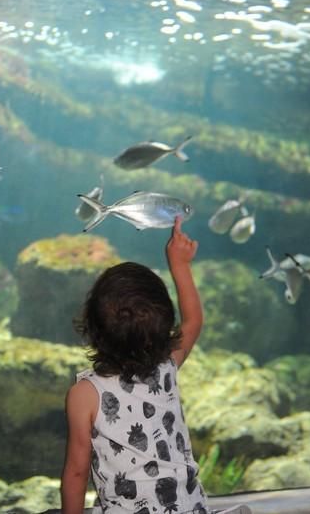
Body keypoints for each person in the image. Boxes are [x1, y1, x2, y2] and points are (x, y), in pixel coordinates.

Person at [61, 217, 250, 514]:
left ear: (92, 326)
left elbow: (75, 473)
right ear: (162, 326)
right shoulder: (167, 367)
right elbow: (193, 321)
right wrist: (180, 264)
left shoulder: (84, 395)